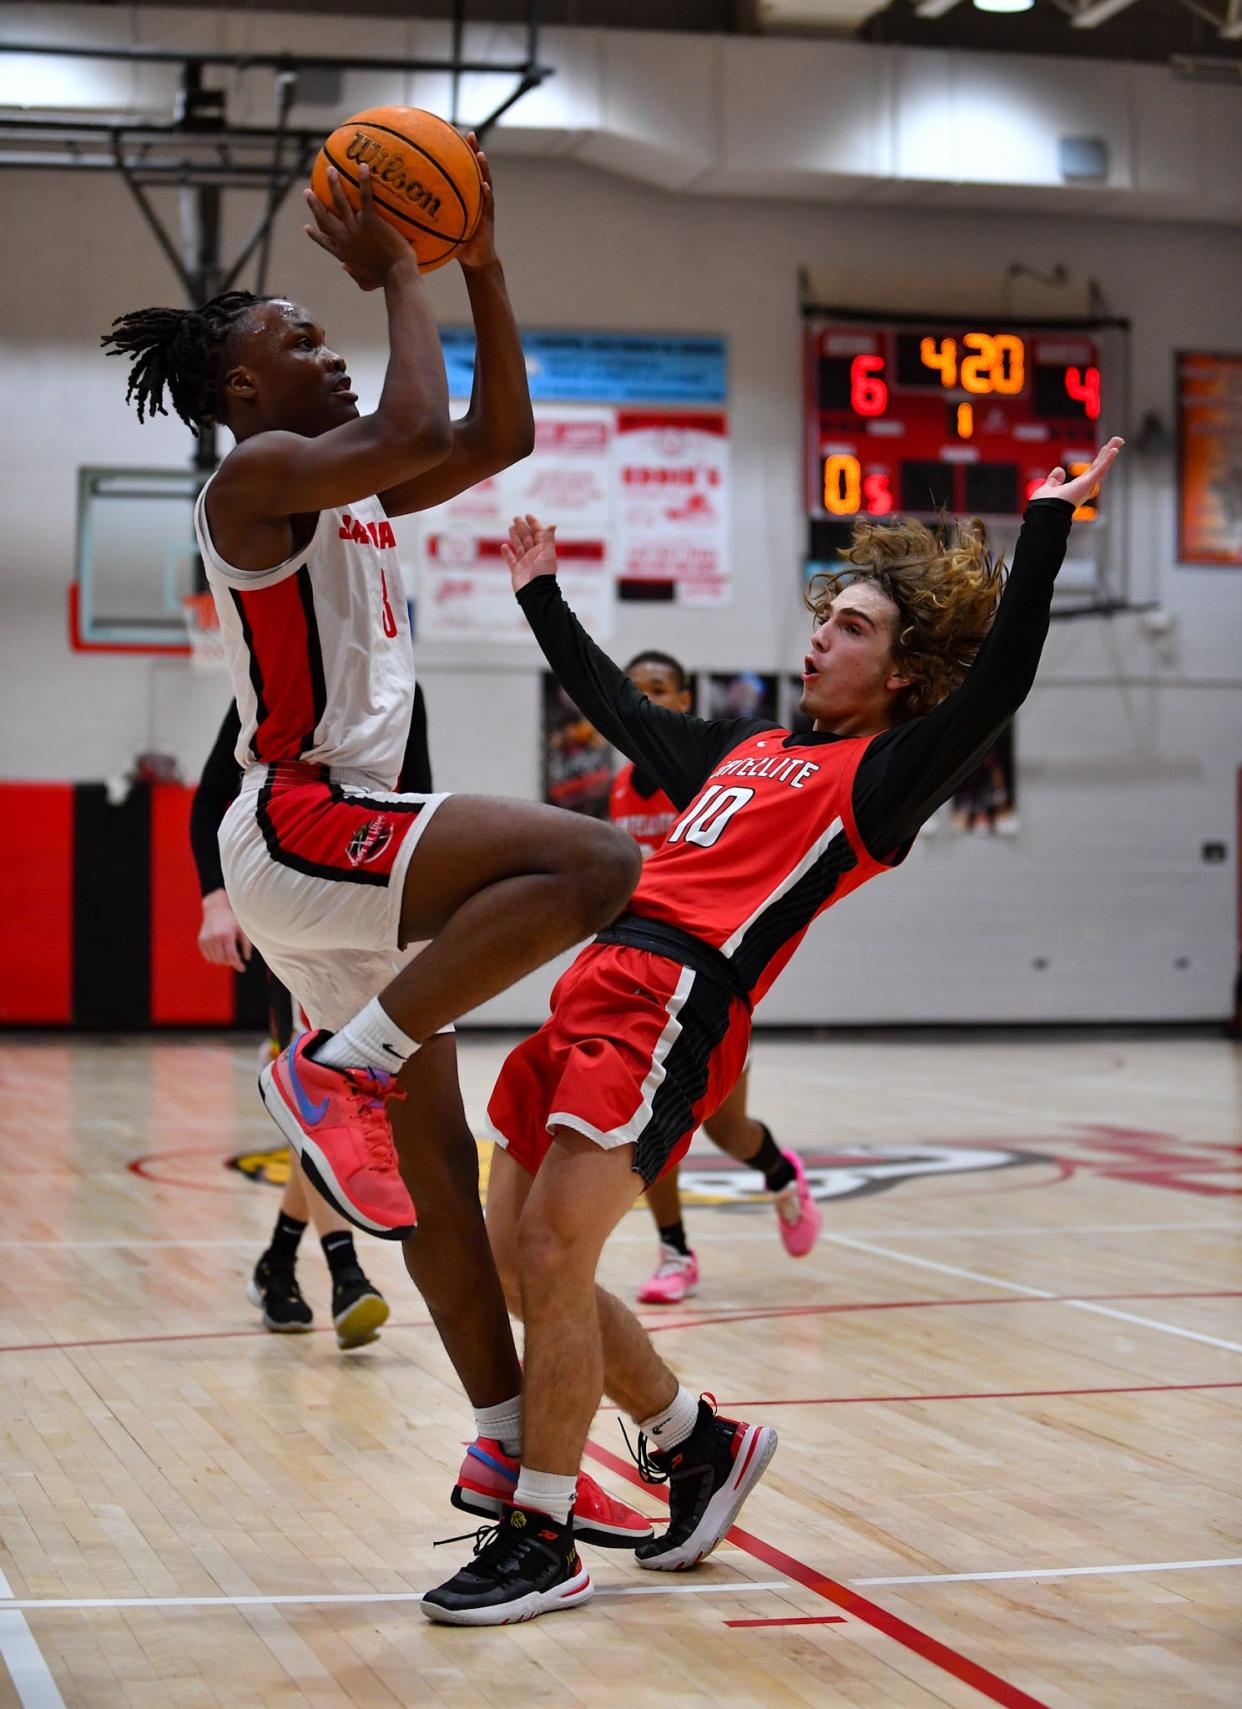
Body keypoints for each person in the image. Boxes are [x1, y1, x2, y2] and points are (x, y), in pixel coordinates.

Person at [422, 440, 1124, 1626]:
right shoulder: (742, 751)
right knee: (516, 1259)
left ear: (901, 674)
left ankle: (542, 1532)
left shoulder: (882, 777)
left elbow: (999, 684)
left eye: (850, 626)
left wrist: (1044, 531)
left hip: (673, 1003)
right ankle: (696, 1442)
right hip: (592, 984)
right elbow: (619, 708)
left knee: (552, 1252)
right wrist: (541, 596)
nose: (820, 638)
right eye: (826, 618)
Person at [102, 142, 649, 1552]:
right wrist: (404, 262)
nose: (328, 346)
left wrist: (483, 262)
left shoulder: (338, 480)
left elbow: (492, 437)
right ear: (242, 390)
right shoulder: (262, 477)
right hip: (306, 821)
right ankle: (340, 1060)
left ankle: (494, 1441)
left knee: (439, 1188)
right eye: (299, 338)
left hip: (337, 844)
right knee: (595, 867)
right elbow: (417, 417)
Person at [190, 685, 433, 1347]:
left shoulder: (402, 692)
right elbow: (212, 797)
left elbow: (419, 802)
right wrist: (216, 898)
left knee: (344, 1101)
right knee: (328, 1091)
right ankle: (346, 1271)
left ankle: (276, 1262)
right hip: (299, 912)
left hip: (369, 912)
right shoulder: (270, 684)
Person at [608, 650, 820, 1306]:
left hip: (710, 973)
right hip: (642, 971)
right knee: (651, 1123)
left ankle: (780, 1172)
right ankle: (675, 1251)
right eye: (634, 689)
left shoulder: (710, 770)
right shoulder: (620, 786)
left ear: (684, 695)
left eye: (659, 688)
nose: (646, 698)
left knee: (728, 1129)